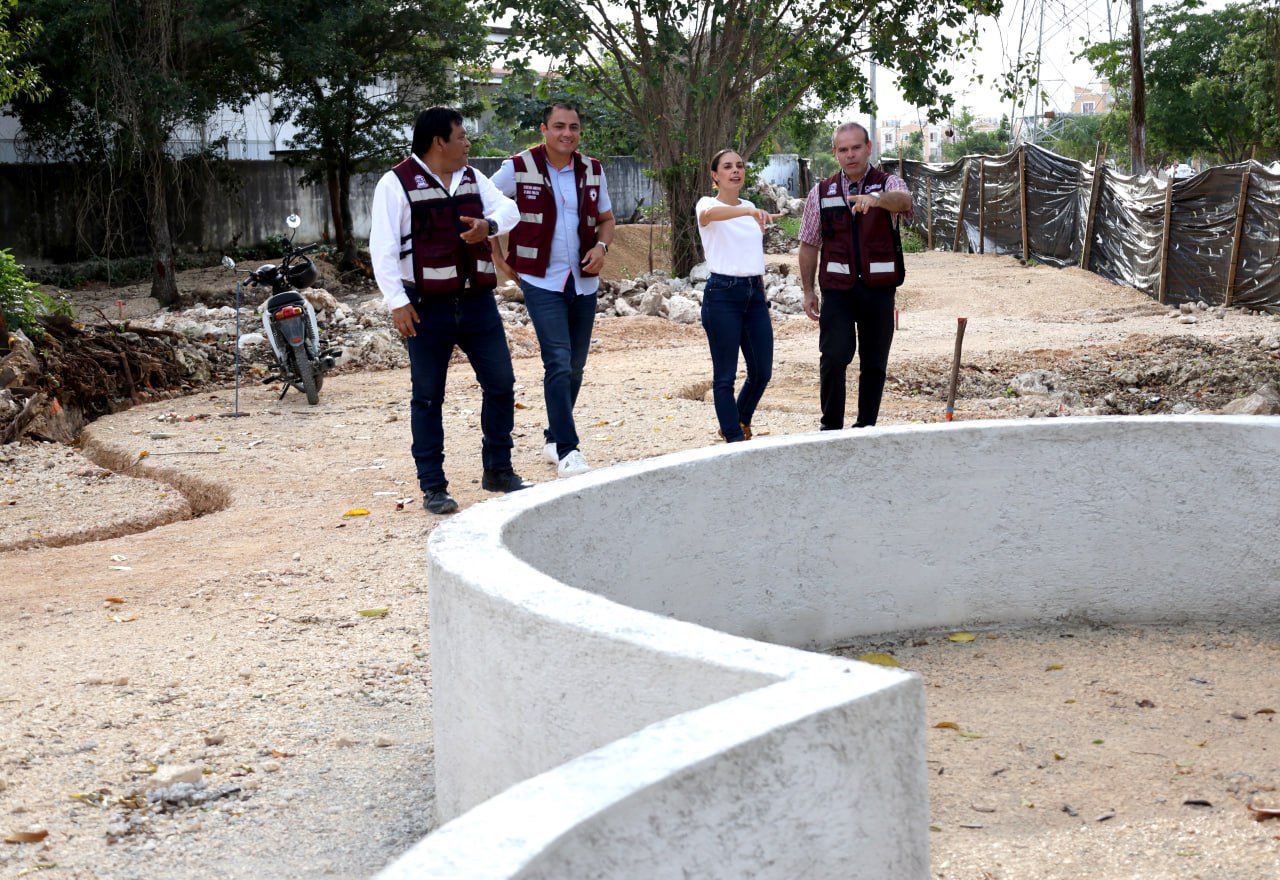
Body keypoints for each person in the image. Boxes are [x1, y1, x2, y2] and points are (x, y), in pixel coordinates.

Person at [369, 107, 530, 515]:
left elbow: (510, 211)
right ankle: (433, 487)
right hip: (425, 307)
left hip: (477, 303)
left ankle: (498, 470)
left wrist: (488, 227)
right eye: (461, 137)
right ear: (439, 142)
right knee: (427, 397)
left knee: (501, 385)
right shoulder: (395, 183)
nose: (467, 144)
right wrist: (397, 302)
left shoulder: (472, 177)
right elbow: (382, 248)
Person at [491, 102, 616, 478]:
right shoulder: (517, 167)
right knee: (558, 361)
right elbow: (484, 209)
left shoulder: (592, 169)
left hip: (583, 281)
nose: (567, 133)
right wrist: (498, 258)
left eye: (573, 127)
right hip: (540, 279)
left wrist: (602, 247)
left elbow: (606, 219)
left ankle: (553, 436)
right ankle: (567, 449)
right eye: (559, 126)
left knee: (575, 365)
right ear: (543, 129)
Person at [797, 122, 913, 430]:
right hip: (838, 290)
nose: (850, 155)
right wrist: (808, 291)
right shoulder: (821, 192)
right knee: (834, 356)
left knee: (874, 362)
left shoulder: (888, 183)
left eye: (856, 148)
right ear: (835, 152)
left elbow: (905, 202)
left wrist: (877, 199)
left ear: (869, 148)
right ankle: (831, 427)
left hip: (878, 290)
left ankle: (865, 428)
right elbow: (808, 244)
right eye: (843, 149)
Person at [694, 148, 781, 442]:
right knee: (725, 376)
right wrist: (747, 212)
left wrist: (750, 210)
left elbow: (750, 253)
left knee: (762, 371)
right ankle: (734, 438)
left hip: (754, 294)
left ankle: (739, 420)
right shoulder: (708, 204)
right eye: (728, 166)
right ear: (715, 175)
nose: (735, 171)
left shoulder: (751, 206)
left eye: (740, 166)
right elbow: (709, 216)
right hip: (722, 294)